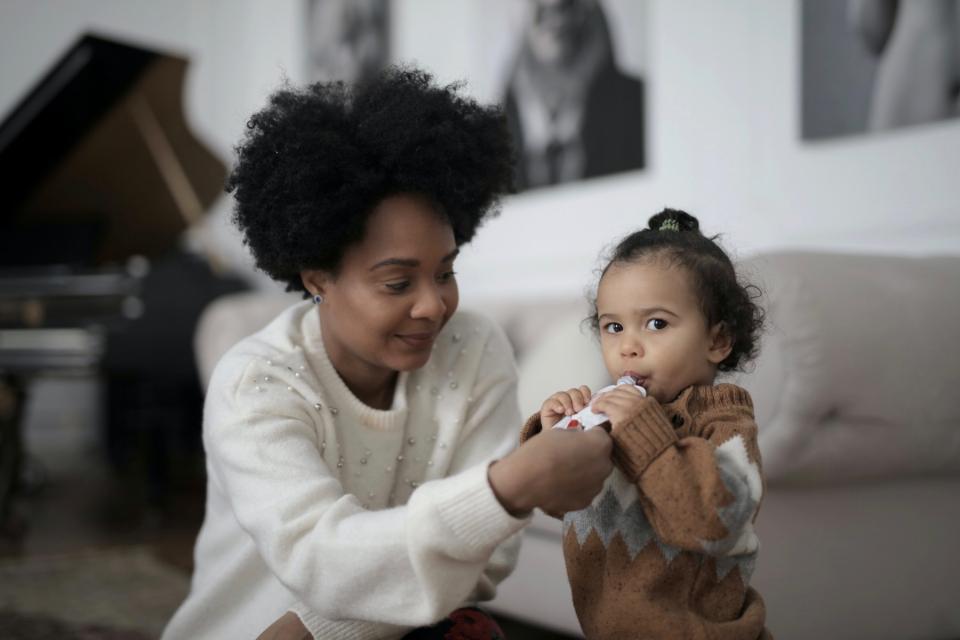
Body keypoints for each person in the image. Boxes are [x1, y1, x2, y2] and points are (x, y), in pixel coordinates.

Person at [162, 68, 614, 640]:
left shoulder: (475, 348)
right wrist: (508, 487)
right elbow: (320, 561)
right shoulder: (255, 382)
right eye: (398, 283)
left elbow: (489, 561)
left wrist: (318, 632)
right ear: (318, 276)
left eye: (446, 272)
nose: (434, 306)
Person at [519, 209, 772, 639]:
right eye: (613, 327)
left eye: (656, 323)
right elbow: (554, 502)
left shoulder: (724, 422)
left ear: (718, 340)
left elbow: (716, 522)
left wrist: (645, 435)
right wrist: (552, 435)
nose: (628, 347)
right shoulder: (608, 413)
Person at [502, 0, 645, 191]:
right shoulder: (500, 127)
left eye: (566, 7)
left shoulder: (635, 104)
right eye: (542, 9)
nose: (554, 16)